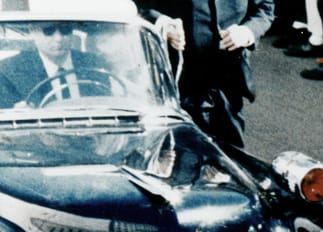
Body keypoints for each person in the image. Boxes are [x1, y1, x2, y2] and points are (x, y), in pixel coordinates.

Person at [136, 0, 274, 148]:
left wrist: (247, 32)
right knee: (178, 153)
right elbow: (138, 5)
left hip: (228, 83)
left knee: (230, 155)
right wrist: (161, 22)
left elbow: (265, 8)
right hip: (178, 83)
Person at [0, 22, 107, 108]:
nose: (58, 39)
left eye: (65, 30)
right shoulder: (9, 71)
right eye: (48, 31)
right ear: (32, 30)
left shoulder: (95, 63)